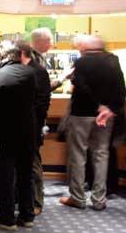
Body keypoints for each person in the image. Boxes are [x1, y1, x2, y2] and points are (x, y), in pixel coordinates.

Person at [60, 35, 126, 211]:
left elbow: (82, 87)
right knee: (102, 154)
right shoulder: (113, 60)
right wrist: (109, 109)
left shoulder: (82, 62)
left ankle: (77, 197)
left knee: (78, 155)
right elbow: (121, 88)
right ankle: (99, 199)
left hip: (81, 114)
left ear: (85, 48)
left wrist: (72, 78)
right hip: (105, 116)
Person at [0, 41, 37, 230]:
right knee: (26, 175)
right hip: (28, 132)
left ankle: (7, 218)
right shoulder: (30, 73)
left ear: (2, 56)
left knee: (5, 176)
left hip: (4, 134)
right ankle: (27, 216)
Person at [29, 28, 55, 215]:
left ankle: (35, 200)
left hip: (32, 120)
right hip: (32, 121)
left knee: (32, 160)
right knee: (32, 161)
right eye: (49, 40)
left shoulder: (35, 61)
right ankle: (35, 200)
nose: (51, 44)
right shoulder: (35, 62)